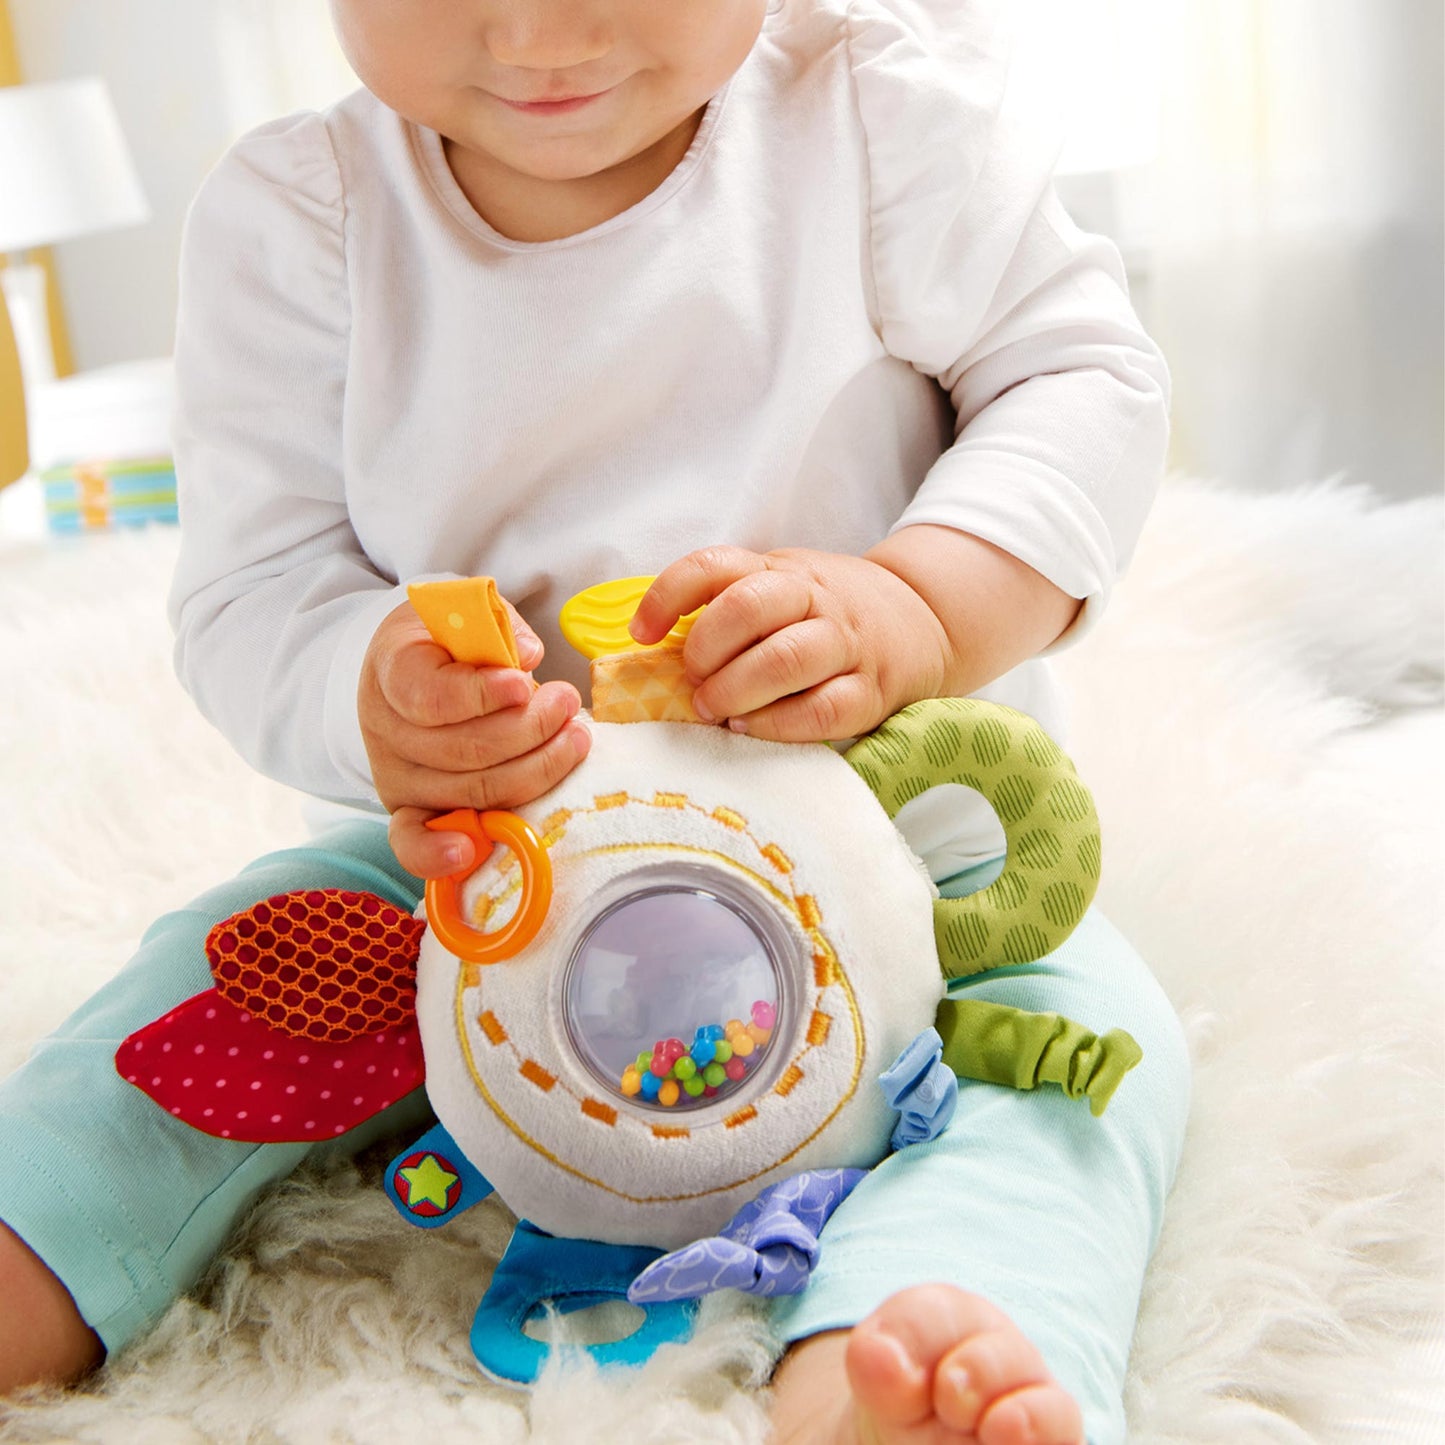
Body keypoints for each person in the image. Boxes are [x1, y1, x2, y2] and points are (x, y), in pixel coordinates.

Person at [0, 1, 1190, 1440]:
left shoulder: (876, 120)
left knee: (1076, 1056)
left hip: (900, 873)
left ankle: (898, 1351)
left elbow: (1080, 384)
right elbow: (257, 583)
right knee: (228, 978)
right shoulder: (303, 225)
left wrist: (915, 607)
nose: (533, 32)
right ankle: (36, 1243)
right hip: (486, 883)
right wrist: (365, 691)